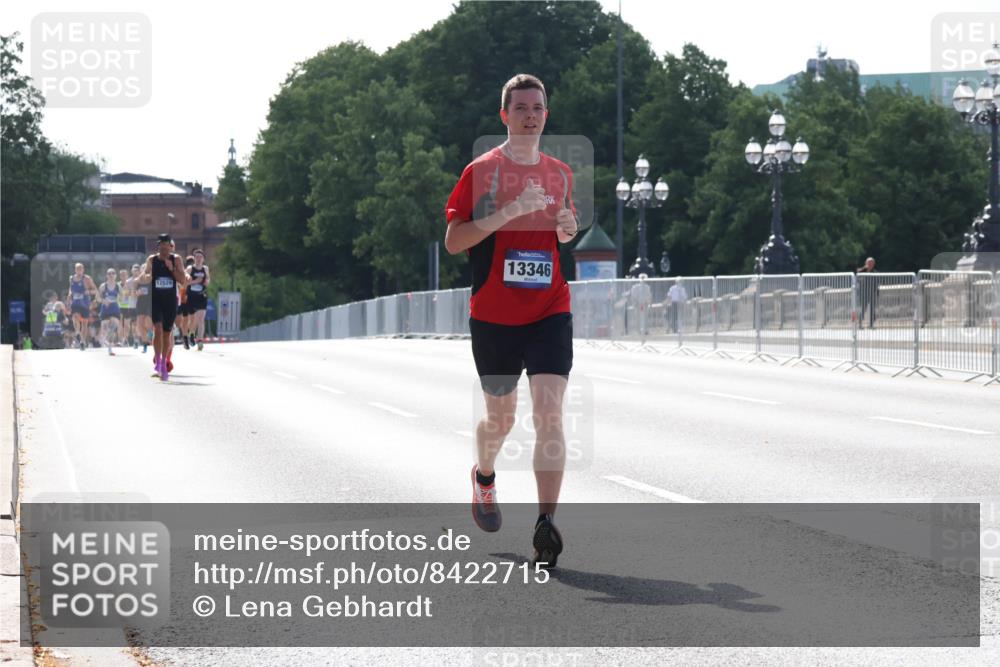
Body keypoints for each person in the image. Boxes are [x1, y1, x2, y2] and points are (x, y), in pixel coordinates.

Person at [444, 73, 578, 569]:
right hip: (495, 316)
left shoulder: (560, 172)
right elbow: (455, 241)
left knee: (549, 413)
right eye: (520, 107)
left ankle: (546, 523)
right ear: (504, 115)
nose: (529, 115)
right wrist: (506, 213)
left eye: (537, 108)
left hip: (549, 309)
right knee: (501, 418)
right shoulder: (481, 172)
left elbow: (563, 228)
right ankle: (484, 476)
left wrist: (567, 228)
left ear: (546, 115)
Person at [139, 234, 187, 380]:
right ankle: (158, 362)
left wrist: (172, 269)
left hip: (170, 301)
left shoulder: (176, 259)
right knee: (157, 330)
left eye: (167, 244)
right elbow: (144, 276)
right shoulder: (152, 260)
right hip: (156, 300)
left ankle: (164, 362)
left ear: (170, 246)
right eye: (162, 244)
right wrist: (148, 277)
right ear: (158, 246)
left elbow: (182, 280)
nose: (164, 247)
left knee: (166, 333)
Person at [66, 262, 98, 349]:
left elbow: (95, 290)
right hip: (75, 302)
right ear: (75, 270)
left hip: (85, 303)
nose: (79, 270)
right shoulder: (71, 278)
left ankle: (82, 341)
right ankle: (77, 333)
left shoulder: (87, 279)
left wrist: (89, 292)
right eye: (77, 269)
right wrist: (69, 297)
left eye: (81, 269)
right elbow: (70, 289)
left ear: (83, 270)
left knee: (84, 323)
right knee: (75, 317)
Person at [185, 249, 211, 350]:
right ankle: (191, 333)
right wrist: (196, 281)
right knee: (193, 320)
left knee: (201, 319)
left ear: (203, 259)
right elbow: (185, 282)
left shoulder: (205, 268)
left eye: (201, 257)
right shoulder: (190, 269)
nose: (199, 259)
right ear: (194, 258)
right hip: (191, 296)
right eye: (197, 257)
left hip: (201, 295)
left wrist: (207, 282)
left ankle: (200, 340)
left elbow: (208, 278)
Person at [97, 268, 122, 355]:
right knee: (105, 327)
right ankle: (105, 341)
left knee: (114, 326)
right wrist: (103, 301)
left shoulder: (118, 286)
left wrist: (120, 299)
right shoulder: (103, 286)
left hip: (114, 308)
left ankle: (110, 347)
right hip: (105, 309)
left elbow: (122, 297)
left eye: (113, 273)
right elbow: (97, 298)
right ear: (106, 276)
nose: (111, 275)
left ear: (115, 275)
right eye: (109, 273)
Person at [132, 263, 153, 353]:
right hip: (141, 303)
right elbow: (133, 294)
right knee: (140, 325)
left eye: (147, 268)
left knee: (148, 322)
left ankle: (151, 335)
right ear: (141, 270)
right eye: (143, 268)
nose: (145, 270)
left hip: (151, 303)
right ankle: (145, 343)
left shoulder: (153, 279)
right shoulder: (137, 281)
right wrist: (137, 293)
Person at [856, 257, 878, 329]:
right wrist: (864, 270)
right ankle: (859, 324)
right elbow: (857, 280)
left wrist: (876, 292)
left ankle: (871, 325)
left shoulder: (875, 272)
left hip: (872, 293)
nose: (870, 264)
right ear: (866, 263)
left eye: (872, 263)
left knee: (872, 309)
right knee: (862, 309)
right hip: (863, 293)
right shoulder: (861, 271)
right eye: (869, 263)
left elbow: (877, 283)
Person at [629, 274, 652, 338]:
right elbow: (633, 295)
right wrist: (635, 303)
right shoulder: (635, 287)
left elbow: (649, 295)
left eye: (644, 278)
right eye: (642, 278)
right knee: (638, 317)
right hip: (638, 304)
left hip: (645, 304)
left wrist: (649, 302)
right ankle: (639, 330)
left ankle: (645, 330)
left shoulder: (647, 287)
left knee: (645, 317)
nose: (643, 279)